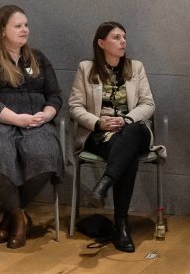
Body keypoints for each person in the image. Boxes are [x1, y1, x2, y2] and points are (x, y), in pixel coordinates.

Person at [0, 4, 62, 249]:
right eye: (18, 26)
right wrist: (17, 119)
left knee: (46, 153)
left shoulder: (37, 58)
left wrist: (46, 115)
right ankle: (19, 217)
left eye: (26, 25)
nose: (24, 30)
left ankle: (10, 215)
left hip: (36, 121)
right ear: (2, 30)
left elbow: (55, 96)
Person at [67, 21, 157, 253]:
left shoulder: (135, 67)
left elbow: (148, 104)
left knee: (133, 131)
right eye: (116, 37)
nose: (123, 42)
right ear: (101, 43)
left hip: (133, 131)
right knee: (127, 157)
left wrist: (126, 120)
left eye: (124, 37)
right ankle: (121, 224)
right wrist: (98, 122)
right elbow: (75, 106)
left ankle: (104, 184)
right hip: (102, 135)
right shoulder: (86, 69)